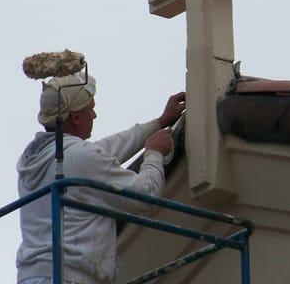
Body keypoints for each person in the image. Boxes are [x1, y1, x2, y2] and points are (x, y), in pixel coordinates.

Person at [16, 72, 185, 284]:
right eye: (90, 108)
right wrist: (154, 154)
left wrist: (158, 123)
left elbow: (103, 151)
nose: (94, 115)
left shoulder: (36, 159)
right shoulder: (81, 157)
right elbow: (146, 195)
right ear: (76, 117)